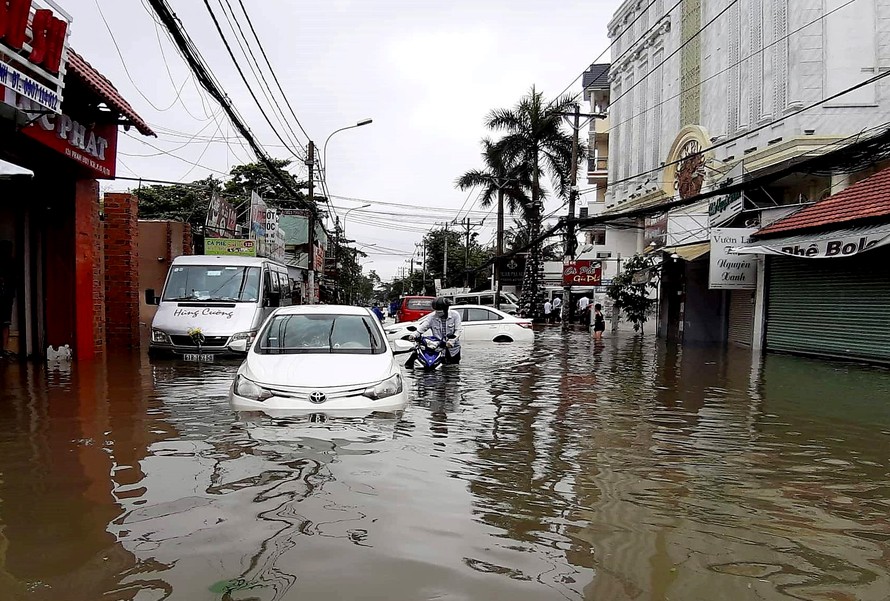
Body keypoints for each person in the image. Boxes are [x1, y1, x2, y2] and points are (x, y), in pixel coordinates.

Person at [405, 296, 462, 367]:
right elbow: (423, 327)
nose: (438, 313)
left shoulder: (455, 315)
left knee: (453, 369)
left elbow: (458, 330)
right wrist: (414, 335)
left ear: (446, 309)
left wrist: (451, 341)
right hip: (438, 348)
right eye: (436, 311)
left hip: (453, 349)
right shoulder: (432, 317)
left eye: (440, 311)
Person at [0, 241, 15, 358]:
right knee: (5, 324)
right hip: (7, 297)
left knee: (5, 323)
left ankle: (3, 349)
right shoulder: (11, 264)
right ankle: (4, 349)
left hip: (6, 297)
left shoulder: (10, 264)